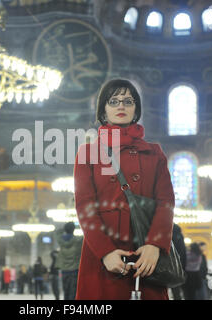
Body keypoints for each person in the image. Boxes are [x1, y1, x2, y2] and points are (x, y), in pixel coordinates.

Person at [74, 79, 175, 300]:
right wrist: (105, 252)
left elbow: (165, 203)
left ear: (136, 109)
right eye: (114, 101)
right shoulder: (88, 152)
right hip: (102, 256)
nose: (121, 106)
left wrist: (155, 246)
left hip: (145, 256)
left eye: (128, 101)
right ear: (103, 110)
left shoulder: (154, 152)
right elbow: (84, 207)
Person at [55, 222, 83, 300]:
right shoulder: (78, 241)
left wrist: (64, 228)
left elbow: (57, 232)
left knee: (66, 293)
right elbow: (87, 234)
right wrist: (78, 226)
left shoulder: (61, 241)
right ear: (73, 229)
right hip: (75, 270)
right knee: (73, 293)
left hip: (64, 271)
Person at [170, 224, 187, 300]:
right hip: (176, 266)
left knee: (160, 291)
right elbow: (183, 253)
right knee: (176, 292)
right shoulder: (180, 235)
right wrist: (183, 267)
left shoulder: (163, 232)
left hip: (162, 264)